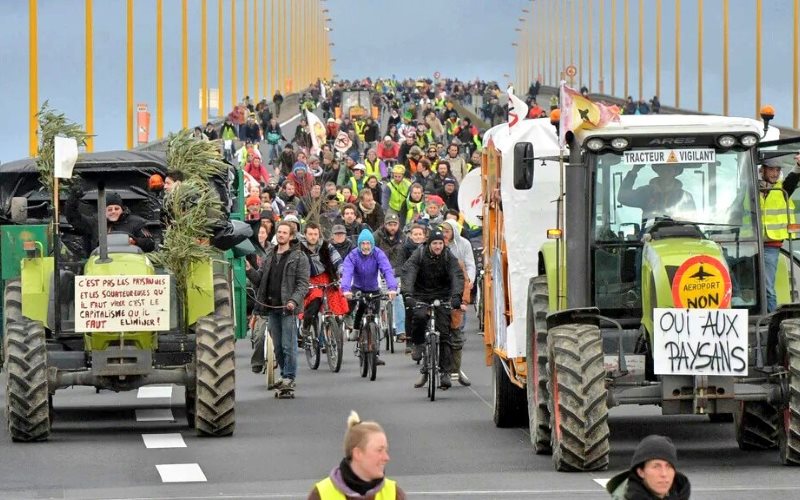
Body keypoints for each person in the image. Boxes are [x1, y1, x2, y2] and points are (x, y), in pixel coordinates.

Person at [251, 221, 310, 390]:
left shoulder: (299, 257)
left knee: (288, 345)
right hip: (271, 307)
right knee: (277, 347)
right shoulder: (269, 255)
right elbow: (259, 280)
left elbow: (302, 284)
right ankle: (284, 374)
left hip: (288, 309)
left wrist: (293, 301)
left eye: (285, 233)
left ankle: (289, 377)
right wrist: (248, 270)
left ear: (291, 236)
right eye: (279, 232)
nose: (281, 235)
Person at [402, 227, 464, 389]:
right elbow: (409, 272)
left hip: (442, 296)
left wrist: (456, 296)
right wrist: (408, 294)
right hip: (421, 294)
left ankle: (445, 373)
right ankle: (418, 344)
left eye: (440, 243)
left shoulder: (448, 256)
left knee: (444, 334)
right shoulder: (419, 254)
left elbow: (457, 275)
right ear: (429, 244)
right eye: (435, 243)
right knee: (420, 317)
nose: (437, 246)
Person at [307, 410, 405, 500]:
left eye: (386, 450)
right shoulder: (320, 495)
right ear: (358, 453)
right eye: (379, 450)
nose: (386, 458)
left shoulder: (394, 494)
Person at [340, 229, 398, 361]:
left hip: (373, 289)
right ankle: (355, 329)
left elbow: (387, 270)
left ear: (372, 244)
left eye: (368, 243)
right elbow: (347, 272)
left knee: (374, 317)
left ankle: (375, 353)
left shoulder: (378, 253)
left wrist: (392, 288)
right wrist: (346, 289)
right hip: (357, 288)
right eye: (363, 244)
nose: (366, 246)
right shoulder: (353, 255)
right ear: (359, 244)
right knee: (360, 307)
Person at [759, 155, 800, 312]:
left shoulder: (782, 189)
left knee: (767, 287)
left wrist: (798, 165)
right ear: (762, 170)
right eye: (771, 169)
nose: (775, 173)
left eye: (777, 170)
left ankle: (770, 320)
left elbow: (793, 178)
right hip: (750, 243)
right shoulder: (751, 186)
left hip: (771, 244)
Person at [65, 190, 155, 254]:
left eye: (116, 208)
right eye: (110, 209)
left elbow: (150, 243)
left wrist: (136, 241)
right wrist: (73, 199)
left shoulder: (136, 222)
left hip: (129, 262)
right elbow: (74, 219)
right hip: (100, 264)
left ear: (122, 209)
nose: (113, 212)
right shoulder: (94, 222)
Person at [441, 219, 476, 386]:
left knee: (456, 336)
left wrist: (468, 288)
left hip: (457, 294)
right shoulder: (432, 249)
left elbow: (468, 267)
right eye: (442, 232)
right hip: (437, 296)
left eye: (447, 232)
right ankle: (427, 370)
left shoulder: (463, 246)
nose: (444, 235)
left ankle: (456, 370)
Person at [299, 222, 348, 338]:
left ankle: (333, 332)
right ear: (305, 234)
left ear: (319, 235)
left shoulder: (326, 246)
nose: (313, 237)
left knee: (336, 306)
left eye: (315, 234)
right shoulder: (299, 248)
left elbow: (338, 261)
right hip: (309, 281)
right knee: (315, 302)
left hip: (328, 279)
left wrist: (342, 273)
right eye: (310, 234)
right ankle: (306, 327)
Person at [605, 435, 691, 499]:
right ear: (640, 472)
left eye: (669, 466)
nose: (664, 474)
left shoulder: (679, 493)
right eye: (656, 466)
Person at [617, 164, 696, 221]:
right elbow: (623, 197)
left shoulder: (685, 197)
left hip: (679, 236)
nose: (666, 173)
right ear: (658, 171)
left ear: (676, 172)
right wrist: (634, 171)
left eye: (669, 170)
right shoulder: (646, 192)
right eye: (663, 169)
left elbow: (691, 221)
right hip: (649, 237)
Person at [374, 213, 408, 344]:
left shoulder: (404, 238)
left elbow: (407, 259)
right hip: (379, 273)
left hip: (397, 274)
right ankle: (374, 328)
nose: (392, 227)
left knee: (398, 298)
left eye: (395, 224)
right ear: (385, 224)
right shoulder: (377, 236)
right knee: (375, 298)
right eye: (389, 224)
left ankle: (400, 331)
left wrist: (398, 271)